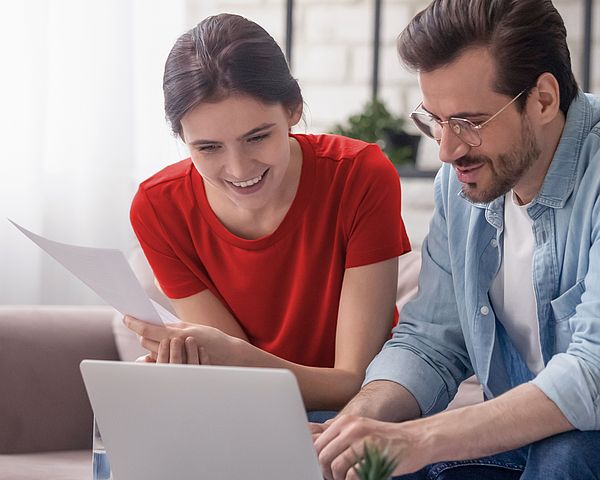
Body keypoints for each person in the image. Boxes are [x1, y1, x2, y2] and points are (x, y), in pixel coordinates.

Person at [313, 0, 600, 478]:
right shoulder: (464, 183)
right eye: (436, 121)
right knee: (338, 444)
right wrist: (354, 424)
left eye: (469, 122)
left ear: (543, 100)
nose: (447, 150)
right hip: (515, 443)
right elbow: (431, 341)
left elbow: (593, 377)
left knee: (564, 457)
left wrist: (419, 439)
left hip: (581, 440)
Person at [123, 13, 411, 414]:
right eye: (207, 148)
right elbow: (235, 379)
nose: (239, 170)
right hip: (246, 412)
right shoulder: (158, 208)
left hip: (355, 417)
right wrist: (195, 363)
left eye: (257, 137)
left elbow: (354, 383)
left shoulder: (359, 176)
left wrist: (230, 362)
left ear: (293, 108)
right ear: (181, 138)